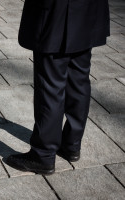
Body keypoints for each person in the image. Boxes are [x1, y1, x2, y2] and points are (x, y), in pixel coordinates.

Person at [6, 0, 110, 175]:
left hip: (57, 11)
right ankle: (71, 145)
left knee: (50, 84)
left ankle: (43, 155)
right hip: (88, 8)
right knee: (78, 79)